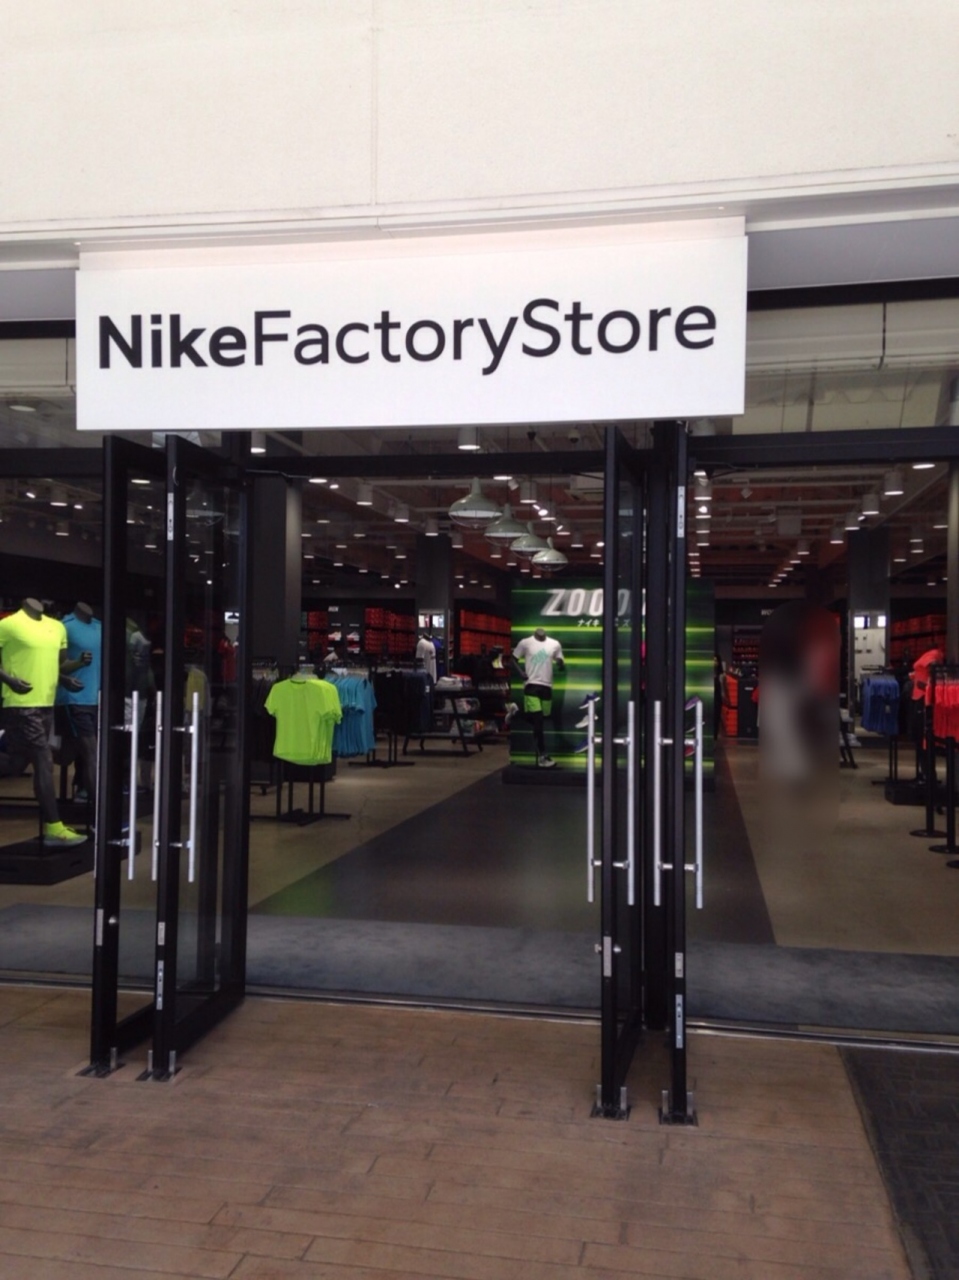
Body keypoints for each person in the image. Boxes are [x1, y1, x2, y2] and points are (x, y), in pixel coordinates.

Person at [0, 598, 89, 847]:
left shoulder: (56, 627)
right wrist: (9, 680)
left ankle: (54, 827)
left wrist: (68, 677)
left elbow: (57, 664)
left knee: (18, 762)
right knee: (43, 759)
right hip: (20, 704)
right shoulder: (9, 625)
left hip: (46, 703)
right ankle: (54, 828)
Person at [509, 626, 565, 768]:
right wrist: (521, 673)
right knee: (538, 720)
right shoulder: (525, 643)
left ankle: (516, 712)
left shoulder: (554, 644)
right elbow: (512, 659)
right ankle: (542, 756)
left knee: (540, 720)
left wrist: (560, 664)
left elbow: (560, 662)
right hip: (531, 685)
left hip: (547, 686)